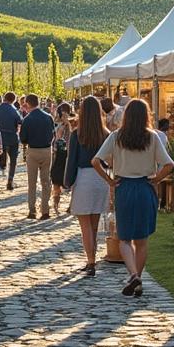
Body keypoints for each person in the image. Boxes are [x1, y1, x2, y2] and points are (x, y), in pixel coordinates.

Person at [93, 99, 174, 297]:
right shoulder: (152, 137)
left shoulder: (116, 136)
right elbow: (169, 164)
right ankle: (138, 278)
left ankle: (133, 274)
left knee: (124, 237)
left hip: (124, 186)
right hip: (145, 187)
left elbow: (96, 161)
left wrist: (110, 181)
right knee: (142, 240)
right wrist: (156, 179)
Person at [64, 96, 111, 275]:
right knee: (94, 223)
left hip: (84, 177)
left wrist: (67, 182)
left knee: (85, 225)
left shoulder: (77, 134)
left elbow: (72, 160)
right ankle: (93, 258)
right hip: (100, 178)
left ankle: (90, 261)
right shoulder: (105, 134)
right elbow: (108, 161)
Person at [19, 93, 55, 219]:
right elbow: (53, 134)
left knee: (32, 182)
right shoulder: (48, 117)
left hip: (33, 150)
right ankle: (45, 210)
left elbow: (23, 138)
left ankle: (32, 210)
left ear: (27, 103)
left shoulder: (27, 119)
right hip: (46, 150)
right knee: (46, 181)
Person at [0, 92, 23, 190]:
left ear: (4, 98)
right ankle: (10, 179)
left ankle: (3, 166)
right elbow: (20, 121)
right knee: (13, 160)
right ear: (13, 100)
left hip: (0, 137)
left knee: (2, 152)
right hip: (12, 137)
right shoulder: (14, 110)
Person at [51, 101, 74, 214]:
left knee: (65, 181)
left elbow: (63, 138)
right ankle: (56, 204)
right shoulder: (57, 124)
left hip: (65, 155)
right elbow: (57, 139)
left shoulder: (72, 124)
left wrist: (67, 124)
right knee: (57, 181)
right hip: (61, 154)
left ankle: (70, 205)